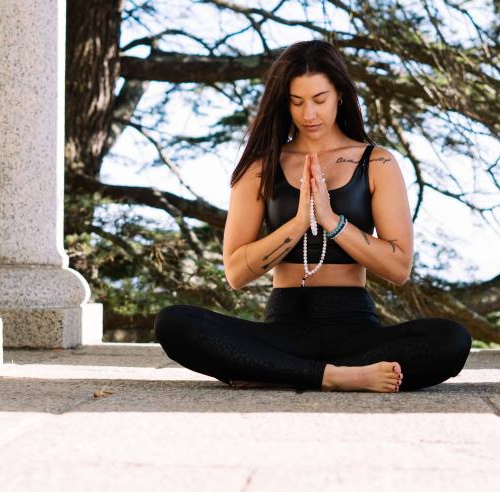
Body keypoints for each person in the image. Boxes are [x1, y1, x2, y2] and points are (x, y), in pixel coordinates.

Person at [154, 40, 472, 392]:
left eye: (319, 100)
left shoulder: (377, 162)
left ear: (340, 95)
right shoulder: (261, 165)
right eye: (296, 101)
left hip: (355, 330)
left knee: (451, 338)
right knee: (174, 323)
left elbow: (398, 268)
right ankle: (334, 376)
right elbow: (236, 272)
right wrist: (298, 224)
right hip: (283, 327)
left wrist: (330, 221)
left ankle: (276, 372)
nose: (309, 114)